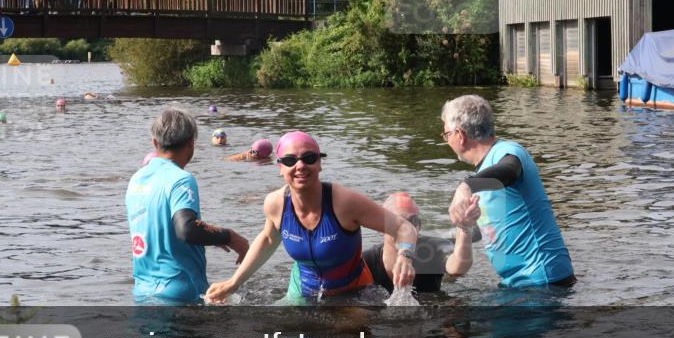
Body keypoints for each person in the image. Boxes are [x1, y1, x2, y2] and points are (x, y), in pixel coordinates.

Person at [205, 131, 417, 303]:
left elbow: (404, 228)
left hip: (353, 294)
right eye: (290, 160)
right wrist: (233, 283)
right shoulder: (275, 203)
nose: (300, 166)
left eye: (309, 158)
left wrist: (405, 256)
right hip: (301, 291)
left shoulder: (344, 203)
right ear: (280, 167)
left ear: (319, 164)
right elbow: (269, 238)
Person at [442, 94, 575, 288]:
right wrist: (458, 231)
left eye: (447, 134)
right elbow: (489, 233)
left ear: (460, 135)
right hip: (519, 284)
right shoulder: (484, 173)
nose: (447, 141)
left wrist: (466, 186)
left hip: (544, 282)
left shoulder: (508, 152)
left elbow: (510, 170)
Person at [126, 108, 250, 304]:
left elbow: (160, 226)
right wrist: (230, 237)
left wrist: (208, 234)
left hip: (143, 293)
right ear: (192, 142)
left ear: (155, 143)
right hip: (181, 293)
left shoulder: (136, 179)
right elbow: (187, 230)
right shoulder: (181, 179)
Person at [362, 192, 475, 294]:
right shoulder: (366, 261)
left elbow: (458, 268)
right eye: (398, 223)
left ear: (419, 226)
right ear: (380, 228)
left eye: (413, 221)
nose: (406, 230)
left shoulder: (432, 249)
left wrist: (464, 229)